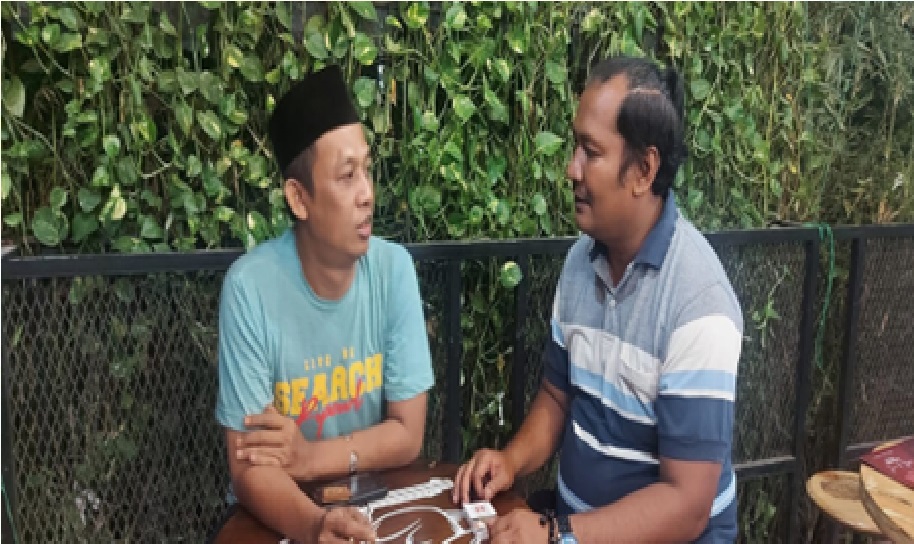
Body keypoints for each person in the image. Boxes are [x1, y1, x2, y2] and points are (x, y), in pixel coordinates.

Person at [453, 56, 742, 543]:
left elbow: (687, 505)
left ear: (644, 170)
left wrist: (555, 534)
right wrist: (511, 461)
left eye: (591, 151)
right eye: (575, 147)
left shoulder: (699, 304)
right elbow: (556, 396)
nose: (572, 169)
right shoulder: (579, 262)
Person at [215, 65, 434, 543]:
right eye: (347, 176)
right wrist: (315, 526)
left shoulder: (393, 270)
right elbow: (249, 466)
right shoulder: (250, 289)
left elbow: (407, 433)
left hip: (372, 504)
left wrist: (309, 457)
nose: (367, 195)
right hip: (280, 514)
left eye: (367, 170)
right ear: (299, 199)